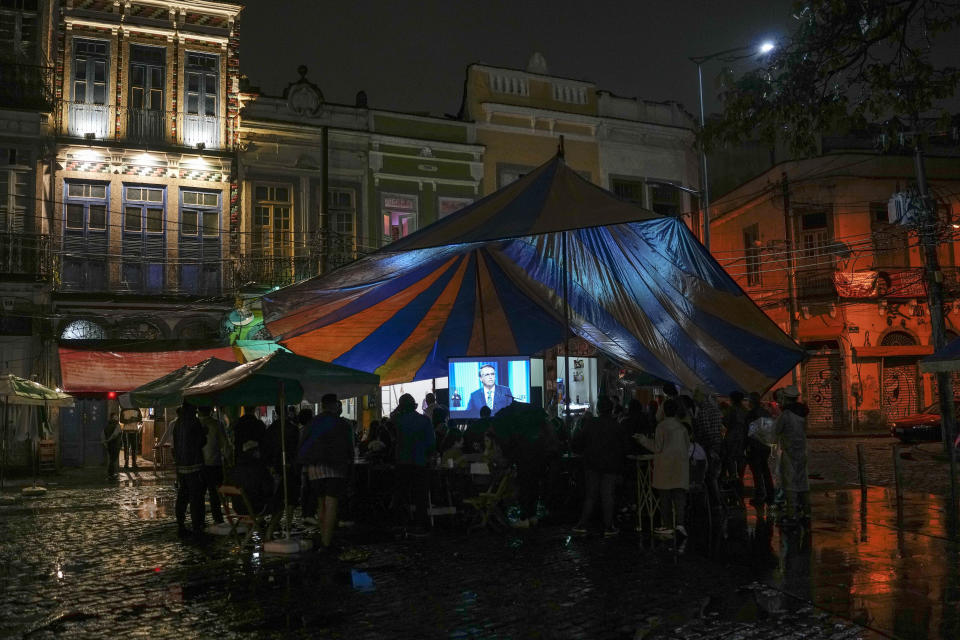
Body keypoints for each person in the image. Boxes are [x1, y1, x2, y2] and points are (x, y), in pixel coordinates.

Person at [298, 393, 354, 549]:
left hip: (315, 468)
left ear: (322, 405)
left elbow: (303, 443)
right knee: (331, 503)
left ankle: (324, 536)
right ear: (335, 405)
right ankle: (326, 542)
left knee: (321, 503)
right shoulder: (342, 424)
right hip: (336, 468)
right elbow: (350, 448)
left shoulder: (313, 423)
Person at [573, 396, 629, 536]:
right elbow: (624, 447)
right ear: (611, 410)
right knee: (607, 495)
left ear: (598, 409)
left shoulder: (590, 423)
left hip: (592, 464)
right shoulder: (616, 426)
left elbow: (578, 441)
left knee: (591, 495)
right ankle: (608, 526)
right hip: (610, 465)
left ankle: (582, 524)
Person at [635, 399, 690, 539]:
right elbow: (687, 447)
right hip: (680, 466)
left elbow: (657, 447)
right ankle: (680, 524)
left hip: (665, 466)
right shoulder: (682, 427)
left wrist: (642, 440)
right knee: (679, 497)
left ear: (664, 411)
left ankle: (667, 525)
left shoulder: (661, 427)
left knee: (664, 496)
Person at [391, 393, 436, 533]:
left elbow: (392, 416)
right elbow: (431, 443)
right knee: (420, 495)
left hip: (403, 462)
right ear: (414, 405)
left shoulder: (398, 420)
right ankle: (420, 523)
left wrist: (399, 408)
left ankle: (400, 522)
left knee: (401, 493)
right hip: (420, 462)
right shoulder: (424, 421)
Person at [772, 385, 810, 525]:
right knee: (803, 483)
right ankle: (807, 513)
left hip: (789, 453)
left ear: (787, 399)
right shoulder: (803, 414)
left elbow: (776, 431)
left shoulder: (786, 415)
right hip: (802, 452)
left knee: (790, 485)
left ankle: (791, 515)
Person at [173, 404, 206, 537]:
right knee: (196, 496)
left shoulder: (178, 423)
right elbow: (201, 441)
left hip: (181, 465)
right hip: (194, 464)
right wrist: (205, 432)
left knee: (182, 495)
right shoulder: (194, 422)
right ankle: (197, 524)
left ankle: (181, 521)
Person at [225, 439, 274, 516]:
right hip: (256, 507)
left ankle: (257, 525)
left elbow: (227, 489)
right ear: (254, 452)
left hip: (238, 507)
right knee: (279, 504)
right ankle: (270, 528)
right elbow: (268, 490)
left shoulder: (235, 468)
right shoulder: (259, 467)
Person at [746, 392, 776, 510]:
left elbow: (749, 432)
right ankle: (770, 494)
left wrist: (746, 446)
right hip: (765, 446)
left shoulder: (752, 414)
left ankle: (760, 495)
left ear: (752, 402)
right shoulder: (766, 413)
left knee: (757, 473)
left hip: (756, 446)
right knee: (765, 470)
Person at [198, 406, 225, 526]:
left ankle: (199, 519)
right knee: (215, 494)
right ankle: (217, 518)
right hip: (214, 464)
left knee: (199, 494)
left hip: (198, 464)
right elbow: (224, 444)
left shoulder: (195, 424)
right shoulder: (216, 425)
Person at [102, 414, 122, 479]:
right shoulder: (117, 425)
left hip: (109, 445)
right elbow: (115, 435)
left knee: (111, 459)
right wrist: (108, 440)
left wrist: (105, 443)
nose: (117, 418)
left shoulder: (107, 425)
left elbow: (102, 435)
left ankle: (111, 473)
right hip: (115, 444)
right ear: (113, 418)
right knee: (113, 460)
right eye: (116, 417)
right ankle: (111, 474)